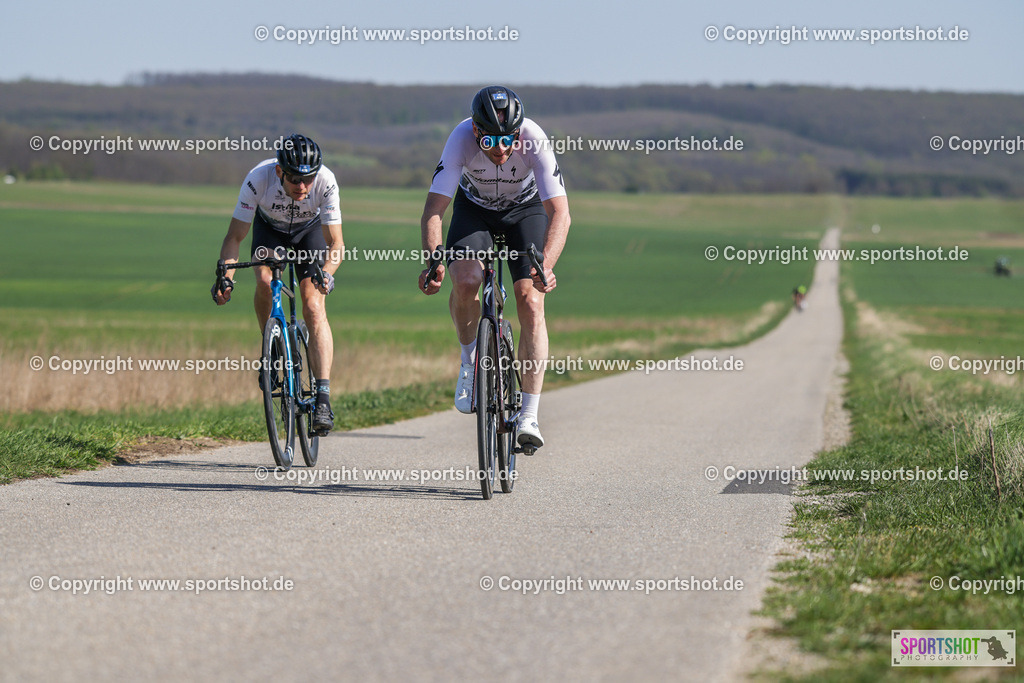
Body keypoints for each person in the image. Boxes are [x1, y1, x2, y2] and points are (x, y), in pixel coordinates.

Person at [418, 86, 571, 451]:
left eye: (508, 140)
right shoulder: (459, 139)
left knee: (530, 301)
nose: (501, 150)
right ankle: (470, 362)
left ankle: (529, 415)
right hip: (475, 212)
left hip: (526, 210)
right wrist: (434, 260)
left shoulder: (534, 138)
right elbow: (434, 211)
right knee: (467, 280)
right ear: (475, 131)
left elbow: (560, 213)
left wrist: (545, 266)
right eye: (489, 140)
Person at [212, 133, 343, 434]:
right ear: (279, 172)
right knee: (264, 280)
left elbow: (336, 243)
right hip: (270, 231)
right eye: (295, 178)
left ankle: (323, 396)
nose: (302, 186)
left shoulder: (326, 181)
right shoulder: (258, 179)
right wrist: (226, 278)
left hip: (308, 233)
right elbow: (234, 238)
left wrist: (327, 272)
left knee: (313, 304)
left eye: (307, 179)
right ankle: (271, 347)